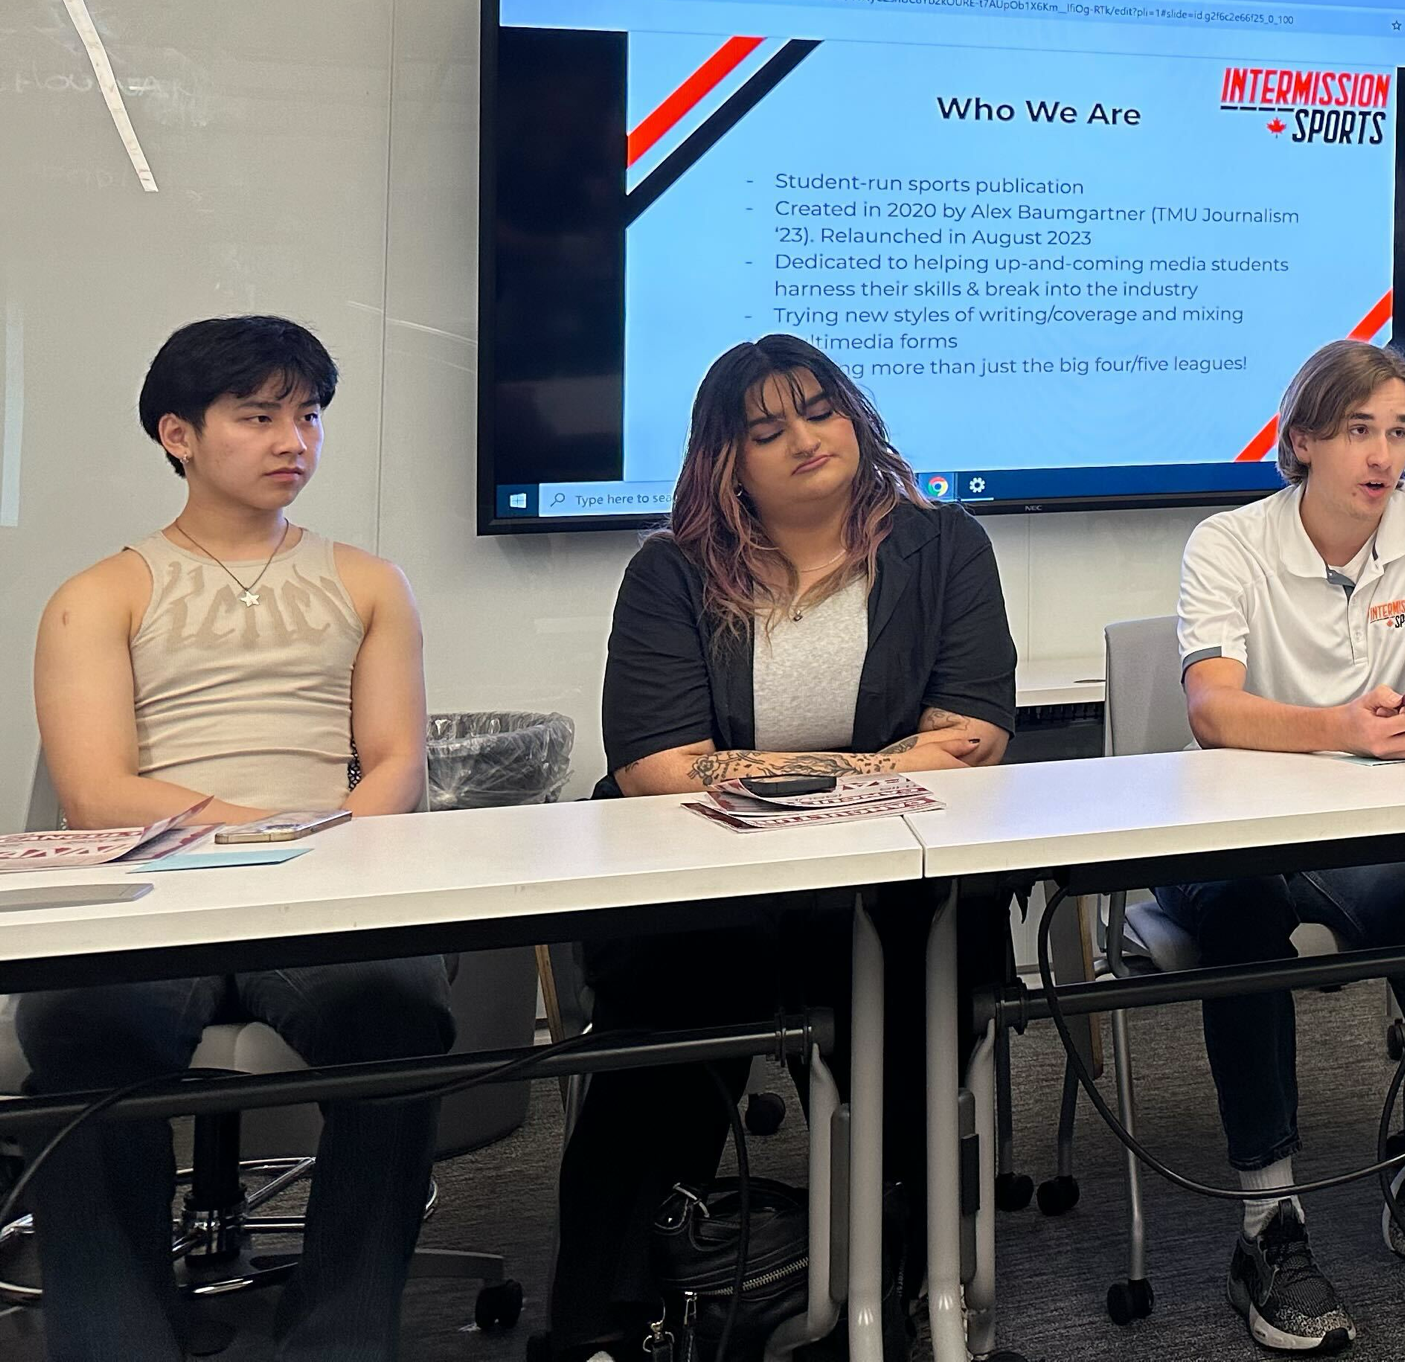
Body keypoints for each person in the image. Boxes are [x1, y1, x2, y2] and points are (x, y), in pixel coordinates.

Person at [542, 335, 1014, 1361]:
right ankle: (608, 1324)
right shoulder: (671, 572)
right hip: (710, 888)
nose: (804, 438)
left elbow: (971, 735)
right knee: (669, 1024)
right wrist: (874, 766)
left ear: (854, 418)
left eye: (819, 410)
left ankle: (903, 1293)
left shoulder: (945, 548)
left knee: (912, 1021)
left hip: (894, 882)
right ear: (728, 462)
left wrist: (780, 774)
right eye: (768, 428)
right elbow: (658, 764)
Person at [22, 316, 453, 1362]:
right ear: (178, 433)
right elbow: (95, 792)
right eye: (257, 417)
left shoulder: (367, 581)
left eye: (307, 416)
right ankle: (123, 1342)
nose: (292, 440)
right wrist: (260, 829)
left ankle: (339, 1341)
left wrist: (319, 842)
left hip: (317, 887)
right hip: (156, 892)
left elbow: (396, 762)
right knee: (79, 1037)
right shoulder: (101, 594)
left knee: (397, 1017)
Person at [1161, 339, 1405, 1357]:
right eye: (1360, 430)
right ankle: (1266, 1225)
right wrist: (1344, 728)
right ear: (1305, 441)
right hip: (1225, 817)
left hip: (1355, 817)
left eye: (1400, 432)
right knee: (1241, 917)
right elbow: (1210, 709)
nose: (1383, 455)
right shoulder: (1228, 541)